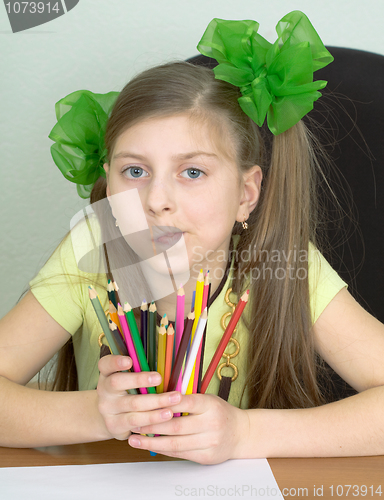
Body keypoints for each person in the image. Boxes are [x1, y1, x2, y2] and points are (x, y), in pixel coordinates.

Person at [1, 11, 384, 464]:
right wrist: (98, 414)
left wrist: (244, 434)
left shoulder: (281, 261)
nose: (157, 200)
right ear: (108, 187)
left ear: (246, 194)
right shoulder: (94, 244)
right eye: (135, 171)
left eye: (193, 172)